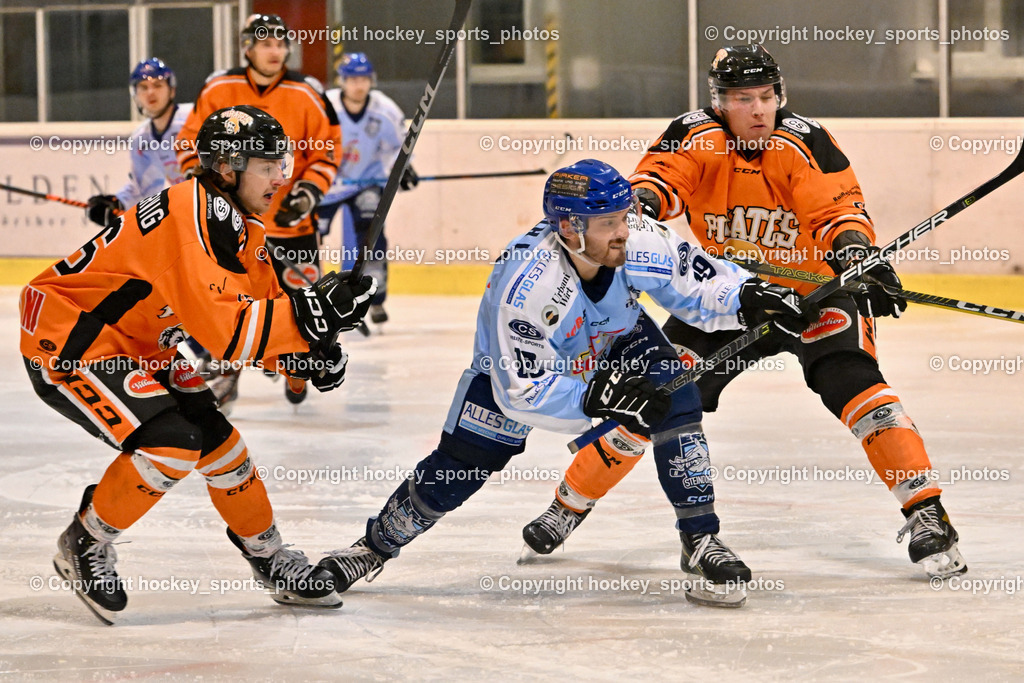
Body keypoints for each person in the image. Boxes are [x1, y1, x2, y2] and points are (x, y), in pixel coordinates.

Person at [524, 45, 966, 579]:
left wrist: (854, 254)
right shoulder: (693, 136)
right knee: (657, 396)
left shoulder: (805, 140)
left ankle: (927, 513)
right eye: (741, 99)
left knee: (854, 383)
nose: (758, 110)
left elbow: (837, 210)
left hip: (813, 296)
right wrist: (632, 211)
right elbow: (658, 186)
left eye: (765, 97)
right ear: (719, 102)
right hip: (729, 296)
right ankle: (566, 505)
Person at [316, 159, 816, 607]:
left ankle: (700, 538)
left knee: (678, 399)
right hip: (516, 373)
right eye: (608, 224)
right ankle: (372, 547)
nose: (624, 231)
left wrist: (750, 296)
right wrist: (598, 399)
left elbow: (694, 279)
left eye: (623, 218)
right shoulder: (526, 287)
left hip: (617, 335)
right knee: (458, 471)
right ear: (569, 228)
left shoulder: (633, 234)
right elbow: (524, 390)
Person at [20, 105, 375, 623]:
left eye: (282, 161)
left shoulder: (242, 228)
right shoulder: (192, 212)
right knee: (172, 444)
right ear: (228, 165)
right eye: (269, 162)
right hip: (73, 338)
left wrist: (313, 351)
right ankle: (85, 541)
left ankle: (269, 557)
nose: (282, 174)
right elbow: (226, 334)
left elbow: (268, 318)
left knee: (224, 449)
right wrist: (311, 317)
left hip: (143, 342)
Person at [176, 13, 341, 406]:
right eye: (266, 43)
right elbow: (189, 144)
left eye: (281, 44)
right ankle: (224, 374)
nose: (275, 51)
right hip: (231, 226)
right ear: (247, 47)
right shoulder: (219, 87)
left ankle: (297, 373)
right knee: (230, 304)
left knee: (304, 308)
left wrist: (308, 192)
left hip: (292, 225)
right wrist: (210, 192)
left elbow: (327, 150)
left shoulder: (307, 93)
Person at [319, 52, 418, 326]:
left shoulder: (385, 110)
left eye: (363, 79)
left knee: (371, 238)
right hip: (327, 184)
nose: (358, 85)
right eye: (352, 79)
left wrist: (405, 170)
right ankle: (312, 294)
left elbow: (399, 147)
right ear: (343, 81)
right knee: (307, 235)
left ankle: (374, 298)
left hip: (367, 183)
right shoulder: (325, 107)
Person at [85, 58, 192, 227]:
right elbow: (143, 189)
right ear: (135, 94)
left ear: (172, 90)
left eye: (158, 85)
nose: (150, 92)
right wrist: (118, 203)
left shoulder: (193, 118)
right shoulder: (141, 139)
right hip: (192, 213)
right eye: (143, 87)